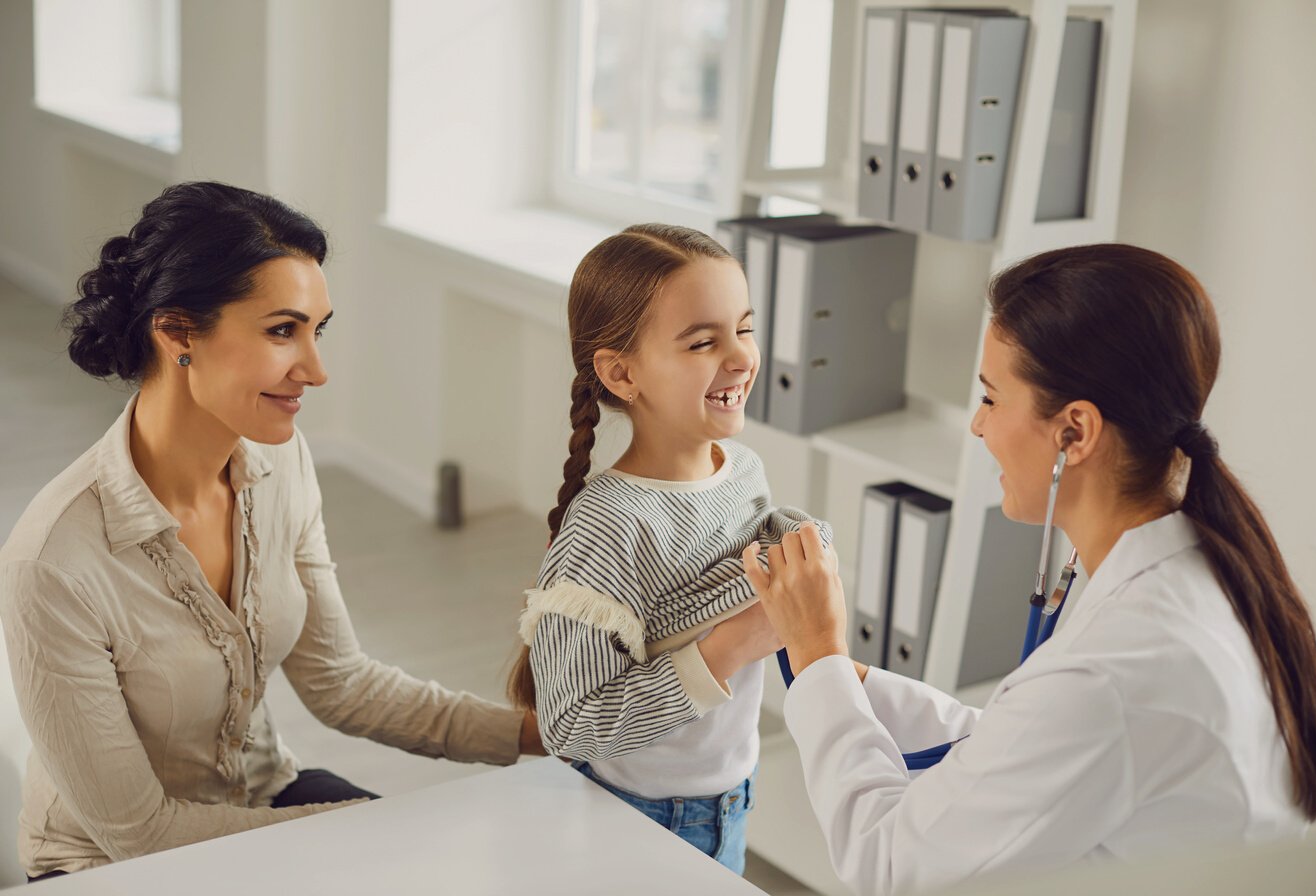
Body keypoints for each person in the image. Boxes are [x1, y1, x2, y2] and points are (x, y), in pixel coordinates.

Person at [741, 243, 1316, 894]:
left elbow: (892, 868)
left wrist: (819, 663)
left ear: (1075, 432)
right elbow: (1016, 749)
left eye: (992, 398)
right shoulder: (1214, 572)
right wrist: (851, 680)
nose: (977, 426)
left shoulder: (1120, 667)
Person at [0, 182, 545, 880]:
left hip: (258, 797)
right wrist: (370, 826)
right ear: (177, 334)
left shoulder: (281, 462)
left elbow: (342, 684)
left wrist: (535, 735)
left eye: (318, 330)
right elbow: (140, 834)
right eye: (282, 330)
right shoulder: (53, 562)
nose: (316, 370)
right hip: (110, 863)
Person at [506, 224, 830, 874]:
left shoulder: (743, 471)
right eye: (703, 342)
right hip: (639, 816)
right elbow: (571, 726)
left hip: (731, 794)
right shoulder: (610, 527)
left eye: (744, 328)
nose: (740, 358)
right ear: (621, 372)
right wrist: (738, 639)